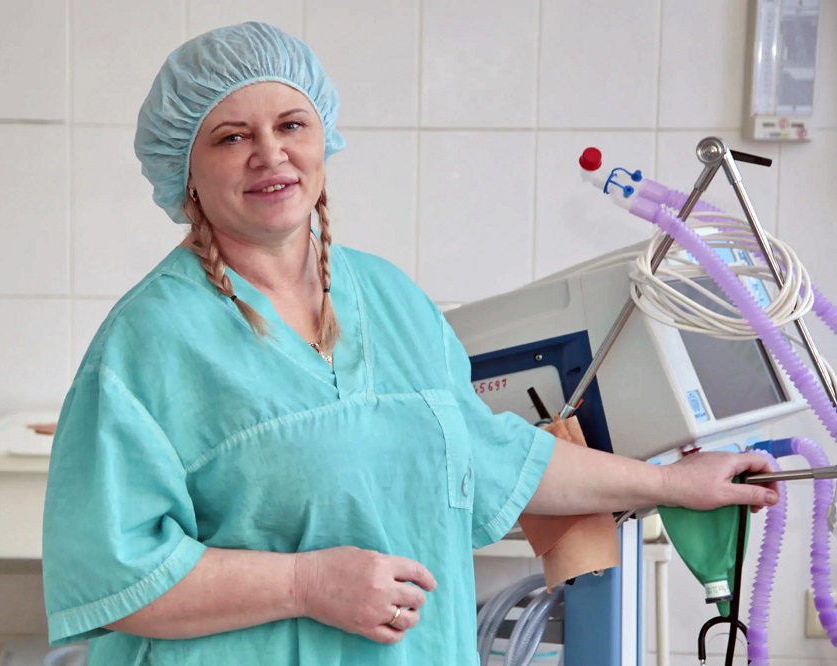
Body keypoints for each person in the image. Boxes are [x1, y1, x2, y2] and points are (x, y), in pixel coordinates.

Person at [41, 21, 779, 665]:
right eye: (232, 137)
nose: (270, 154)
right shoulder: (149, 341)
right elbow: (116, 575)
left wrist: (672, 485)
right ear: (186, 171)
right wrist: (304, 584)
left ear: (323, 138)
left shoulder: (390, 298)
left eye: (291, 125)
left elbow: (489, 456)